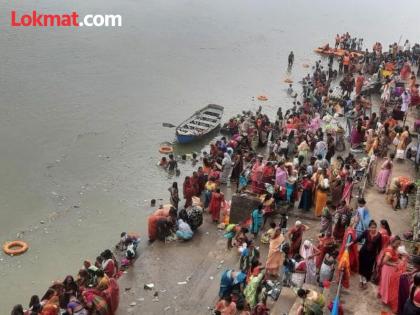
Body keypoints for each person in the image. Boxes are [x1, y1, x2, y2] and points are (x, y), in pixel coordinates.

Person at [379, 236, 406, 313]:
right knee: (388, 285)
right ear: (392, 242)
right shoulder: (389, 251)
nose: (398, 246)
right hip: (388, 270)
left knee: (390, 285)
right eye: (397, 244)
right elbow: (384, 261)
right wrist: (394, 264)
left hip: (391, 270)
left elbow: (397, 255)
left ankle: (387, 299)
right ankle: (386, 299)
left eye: (399, 244)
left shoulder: (394, 248)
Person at [354, 220, 382, 289]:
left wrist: (378, 256)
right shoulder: (366, 232)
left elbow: (379, 247)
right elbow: (359, 238)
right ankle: (362, 281)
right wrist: (351, 243)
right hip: (363, 252)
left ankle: (364, 281)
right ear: (369, 228)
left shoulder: (379, 236)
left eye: (375, 227)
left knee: (368, 269)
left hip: (372, 255)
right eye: (372, 227)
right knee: (362, 267)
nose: (373, 229)